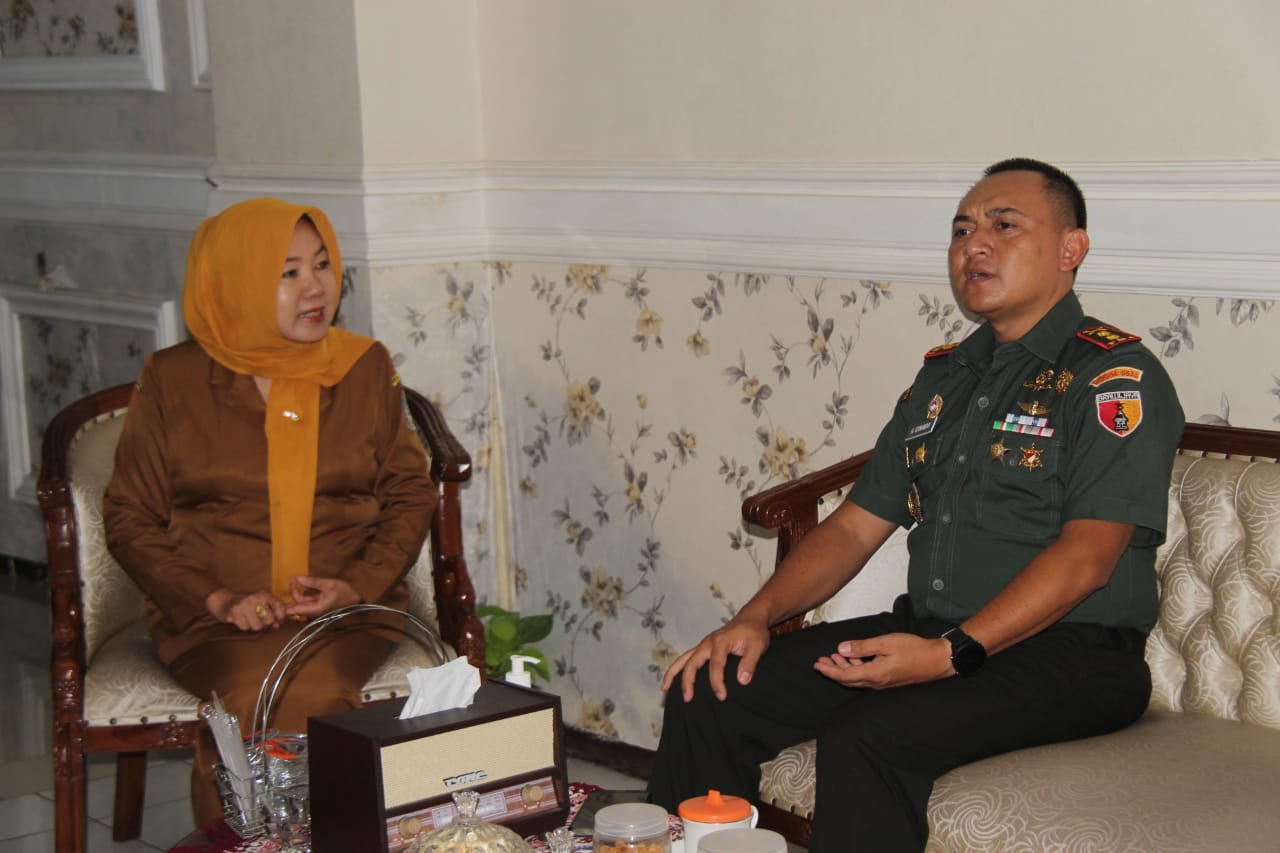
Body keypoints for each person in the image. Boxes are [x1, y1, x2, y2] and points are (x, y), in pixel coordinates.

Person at [647, 158, 1184, 851]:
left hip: (1075, 656)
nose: (975, 245)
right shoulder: (945, 379)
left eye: (1004, 226)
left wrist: (948, 654)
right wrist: (754, 617)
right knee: (711, 687)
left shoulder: (1113, 377)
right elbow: (854, 525)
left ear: (1070, 248)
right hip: (933, 628)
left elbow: (1088, 557)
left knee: (868, 735)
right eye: (962, 230)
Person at [103, 198, 436, 825]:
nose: (316, 288)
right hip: (212, 619)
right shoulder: (174, 380)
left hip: (345, 614)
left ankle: (310, 835)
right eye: (288, 273)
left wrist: (356, 585)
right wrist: (216, 598)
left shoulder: (362, 367)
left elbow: (410, 493)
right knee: (262, 685)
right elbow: (129, 516)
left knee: (306, 680)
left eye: (322, 265)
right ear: (234, 283)